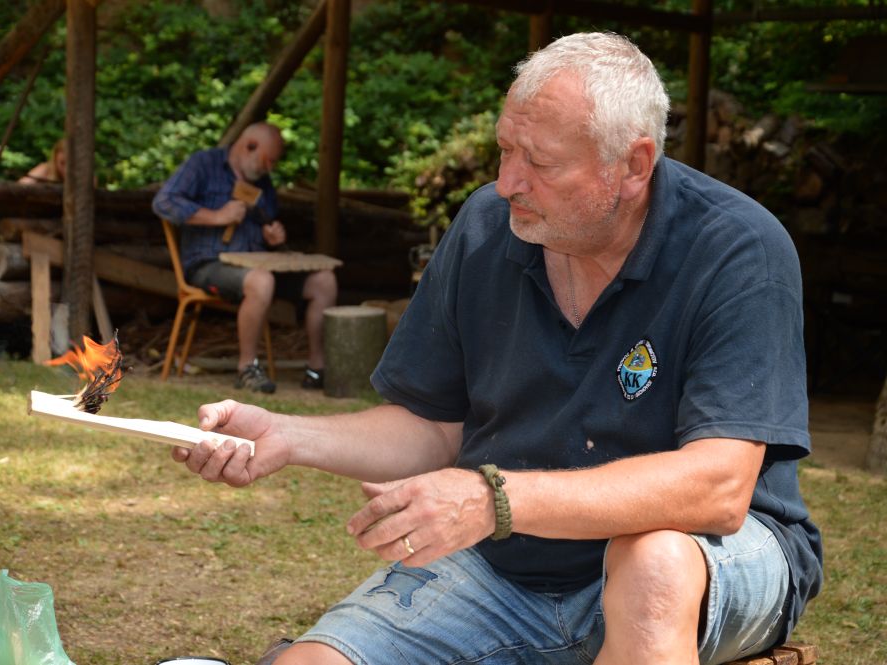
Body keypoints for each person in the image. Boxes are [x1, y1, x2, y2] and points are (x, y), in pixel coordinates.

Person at [173, 33, 822, 665]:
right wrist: (287, 436)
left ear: (632, 166)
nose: (508, 182)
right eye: (505, 149)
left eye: (539, 162)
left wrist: (493, 500)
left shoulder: (736, 248)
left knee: (652, 563)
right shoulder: (487, 226)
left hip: (710, 553)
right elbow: (432, 426)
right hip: (512, 563)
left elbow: (718, 488)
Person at [152, 122, 337, 393]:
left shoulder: (262, 182)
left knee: (324, 281)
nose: (270, 168)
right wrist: (215, 216)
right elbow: (164, 202)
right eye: (267, 160)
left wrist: (272, 235)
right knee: (261, 281)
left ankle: (316, 368)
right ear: (249, 146)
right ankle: (246, 367)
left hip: (258, 264)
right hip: (208, 264)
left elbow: (268, 220)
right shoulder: (204, 164)